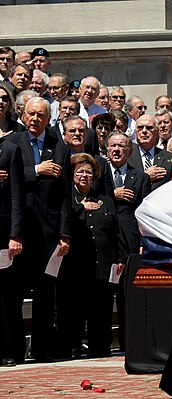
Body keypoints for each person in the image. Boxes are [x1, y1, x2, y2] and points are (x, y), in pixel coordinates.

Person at [4, 97, 72, 362]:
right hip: (19, 229)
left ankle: (44, 350)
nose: (35, 119)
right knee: (13, 294)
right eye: (31, 114)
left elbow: (65, 194)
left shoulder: (60, 148)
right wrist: (36, 170)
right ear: (22, 114)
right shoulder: (11, 144)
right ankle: (13, 351)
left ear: (48, 118)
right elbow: (9, 181)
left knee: (46, 294)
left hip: (48, 232)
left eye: (40, 115)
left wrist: (65, 233)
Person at [56, 153, 125, 359]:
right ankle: (73, 347)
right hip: (76, 265)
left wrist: (120, 259)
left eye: (88, 172)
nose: (84, 176)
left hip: (102, 264)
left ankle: (100, 348)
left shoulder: (104, 200)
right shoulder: (66, 198)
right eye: (80, 172)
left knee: (101, 309)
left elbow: (116, 232)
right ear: (72, 174)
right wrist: (80, 207)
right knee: (74, 310)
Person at [105, 131, 151, 350]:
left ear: (130, 152)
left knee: (127, 292)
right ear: (107, 149)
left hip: (130, 239)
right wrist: (113, 194)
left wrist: (143, 241)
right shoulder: (100, 174)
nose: (117, 150)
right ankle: (101, 343)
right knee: (104, 292)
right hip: (105, 239)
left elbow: (144, 211)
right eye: (113, 146)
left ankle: (127, 342)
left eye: (122, 146)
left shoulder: (140, 177)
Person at [0, 128, 25, 366]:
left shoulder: (9, 151)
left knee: (5, 296)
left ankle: (6, 349)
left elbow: (17, 196)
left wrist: (15, 235)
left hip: (2, 235)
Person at [128, 113, 172, 191]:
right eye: (140, 127)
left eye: (149, 128)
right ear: (136, 132)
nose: (144, 131)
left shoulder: (171, 159)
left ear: (157, 131)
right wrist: (145, 176)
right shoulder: (126, 155)